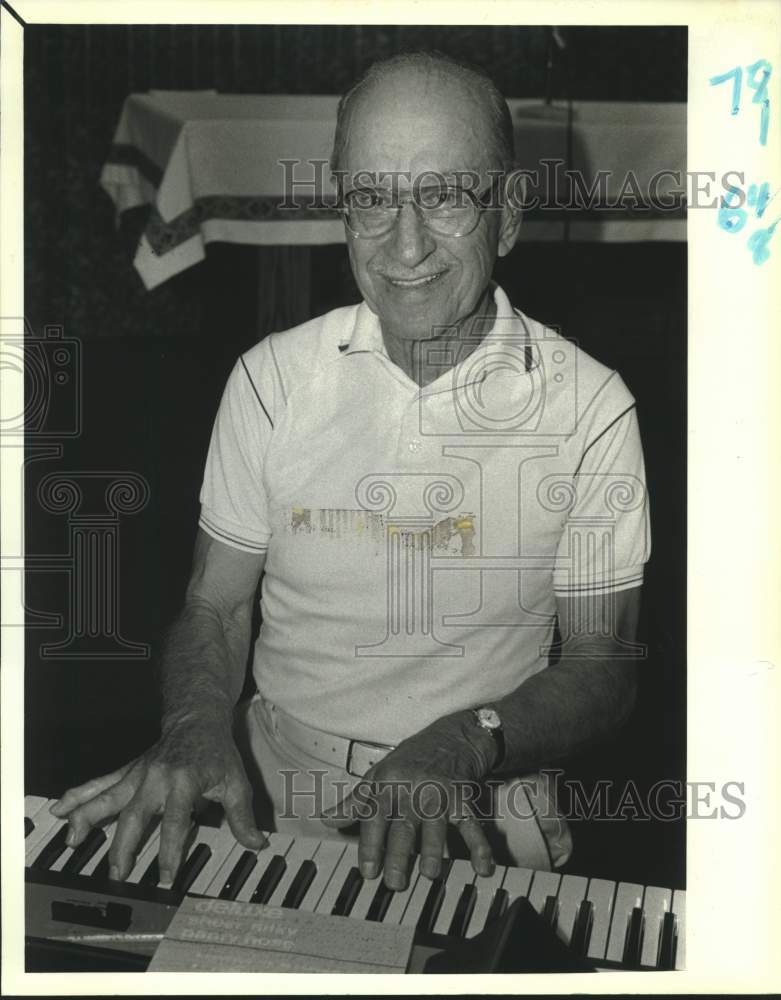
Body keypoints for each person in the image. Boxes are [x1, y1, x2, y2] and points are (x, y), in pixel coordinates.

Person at [51, 52, 650, 894]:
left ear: (507, 215)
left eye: (443, 196)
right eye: (372, 199)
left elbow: (603, 663)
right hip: (271, 798)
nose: (404, 247)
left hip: (478, 806)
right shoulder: (272, 379)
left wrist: (461, 741)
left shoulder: (590, 407)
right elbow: (214, 607)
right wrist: (192, 727)